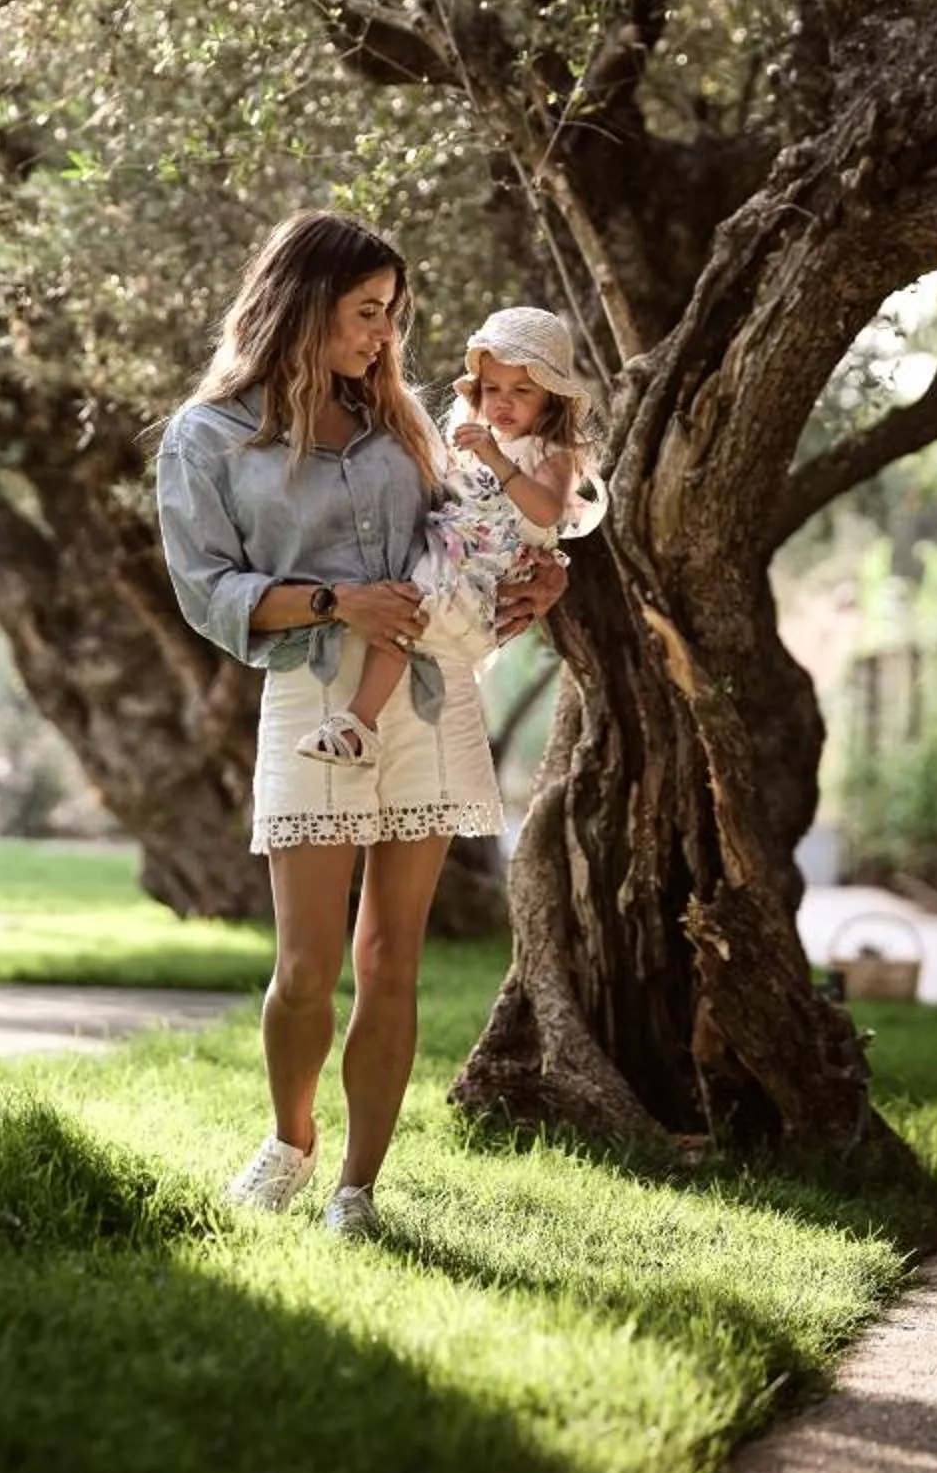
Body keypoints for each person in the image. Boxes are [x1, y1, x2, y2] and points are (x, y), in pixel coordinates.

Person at [155, 212, 571, 1241]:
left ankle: (358, 1190)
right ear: (303, 307)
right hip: (311, 701)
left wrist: (541, 579)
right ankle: (289, 1141)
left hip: (429, 699)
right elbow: (207, 591)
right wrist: (337, 605)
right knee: (304, 967)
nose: (384, 337)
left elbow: (474, 536)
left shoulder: (405, 426)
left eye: (391, 316)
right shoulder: (204, 438)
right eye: (365, 313)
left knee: (392, 959)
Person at [296, 306, 605, 768]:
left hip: (481, 573)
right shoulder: (476, 446)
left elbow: (545, 510)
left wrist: (497, 459)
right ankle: (360, 724)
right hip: (449, 557)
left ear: (552, 399)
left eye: (522, 390)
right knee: (401, 622)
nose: (503, 402)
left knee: (408, 619)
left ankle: (362, 723)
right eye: (492, 389)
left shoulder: (552, 453)